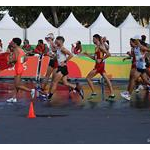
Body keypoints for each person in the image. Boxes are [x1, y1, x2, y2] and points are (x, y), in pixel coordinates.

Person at [47, 36, 84, 101]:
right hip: (61, 67)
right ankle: (78, 89)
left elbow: (71, 55)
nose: (55, 41)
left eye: (56, 40)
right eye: (55, 40)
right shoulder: (58, 48)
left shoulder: (62, 49)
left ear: (60, 41)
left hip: (62, 68)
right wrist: (52, 56)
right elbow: (58, 57)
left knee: (54, 82)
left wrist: (65, 61)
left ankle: (49, 97)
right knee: (65, 83)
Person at [83, 34, 115, 100]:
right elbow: (95, 58)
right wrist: (87, 55)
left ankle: (94, 92)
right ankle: (112, 94)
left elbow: (108, 54)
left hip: (99, 66)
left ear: (97, 39)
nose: (93, 40)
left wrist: (102, 59)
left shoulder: (100, 46)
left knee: (88, 78)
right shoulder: (96, 47)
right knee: (106, 79)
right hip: (99, 65)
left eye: (94, 39)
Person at [121, 35, 150, 101]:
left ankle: (128, 95)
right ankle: (128, 93)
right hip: (139, 66)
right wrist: (129, 55)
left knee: (133, 79)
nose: (131, 43)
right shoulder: (135, 48)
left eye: (133, 41)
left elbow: (148, 51)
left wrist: (145, 56)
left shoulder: (141, 47)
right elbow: (134, 56)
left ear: (137, 40)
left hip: (141, 67)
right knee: (145, 81)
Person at [6, 38, 35, 103]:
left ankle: (31, 90)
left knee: (17, 85)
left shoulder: (16, 49)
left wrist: (10, 61)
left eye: (12, 42)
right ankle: (14, 98)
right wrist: (20, 62)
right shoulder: (21, 49)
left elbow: (15, 59)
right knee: (16, 84)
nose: (11, 43)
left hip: (18, 68)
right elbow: (26, 58)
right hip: (19, 67)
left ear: (15, 44)